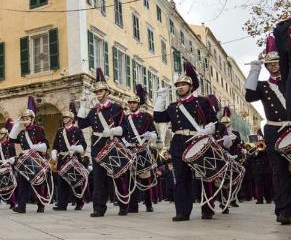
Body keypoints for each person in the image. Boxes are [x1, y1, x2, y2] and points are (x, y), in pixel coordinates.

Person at [153, 61, 217, 221]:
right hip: (178, 142)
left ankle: (207, 208)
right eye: (178, 85)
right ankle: (182, 211)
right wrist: (161, 99)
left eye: (183, 84)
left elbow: (213, 121)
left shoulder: (202, 101)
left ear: (190, 86)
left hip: (197, 140)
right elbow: (158, 118)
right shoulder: (173, 106)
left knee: (204, 176)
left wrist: (208, 129)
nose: (180, 87)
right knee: (181, 178)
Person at [244, 34, 291, 224]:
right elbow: (249, 96)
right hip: (274, 130)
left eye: (276, 62)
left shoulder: (288, 82)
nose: (273, 66)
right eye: (269, 64)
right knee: (279, 172)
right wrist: (254, 72)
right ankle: (283, 211)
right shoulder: (263, 86)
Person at [77, 69, 125, 218]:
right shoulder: (92, 111)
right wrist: (83, 107)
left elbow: (124, 128)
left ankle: (123, 204)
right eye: (96, 92)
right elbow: (82, 125)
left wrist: (112, 131)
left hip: (112, 143)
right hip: (97, 145)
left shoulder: (116, 108)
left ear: (107, 92)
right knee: (98, 178)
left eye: (100, 91)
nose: (98, 94)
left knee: (117, 175)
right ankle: (99, 207)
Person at [121, 84, 158, 214]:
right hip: (130, 151)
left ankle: (149, 204)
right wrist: (125, 142)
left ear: (138, 103)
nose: (131, 105)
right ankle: (132, 206)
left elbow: (154, 133)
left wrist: (150, 136)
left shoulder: (147, 116)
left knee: (146, 179)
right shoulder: (125, 118)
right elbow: (122, 134)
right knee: (130, 179)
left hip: (142, 149)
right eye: (130, 103)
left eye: (134, 103)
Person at [9, 97, 49, 214]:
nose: (25, 120)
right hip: (25, 160)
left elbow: (45, 144)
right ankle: (21, 206)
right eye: (24, 118)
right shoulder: (21, 133)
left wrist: (35, 147)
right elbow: (11, 139)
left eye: (27, 118)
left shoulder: (38, 129)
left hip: (35, 158)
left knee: (38, 183)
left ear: (32, 119)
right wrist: (16, 125)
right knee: (23, 184)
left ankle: (41, 204)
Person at [51, 104, 87, 211]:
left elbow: (83, 145)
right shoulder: (60, 131)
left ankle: (80, 201)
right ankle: (62, 204)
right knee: (62, 181)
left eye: (66, 118)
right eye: (64, 118)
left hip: (74, 157)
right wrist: (54, 153)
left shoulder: (77, 130)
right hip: (62, 158)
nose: (64, 119)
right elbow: (55, 145)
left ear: (71, 119)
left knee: (75, 180)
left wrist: (76, 148)